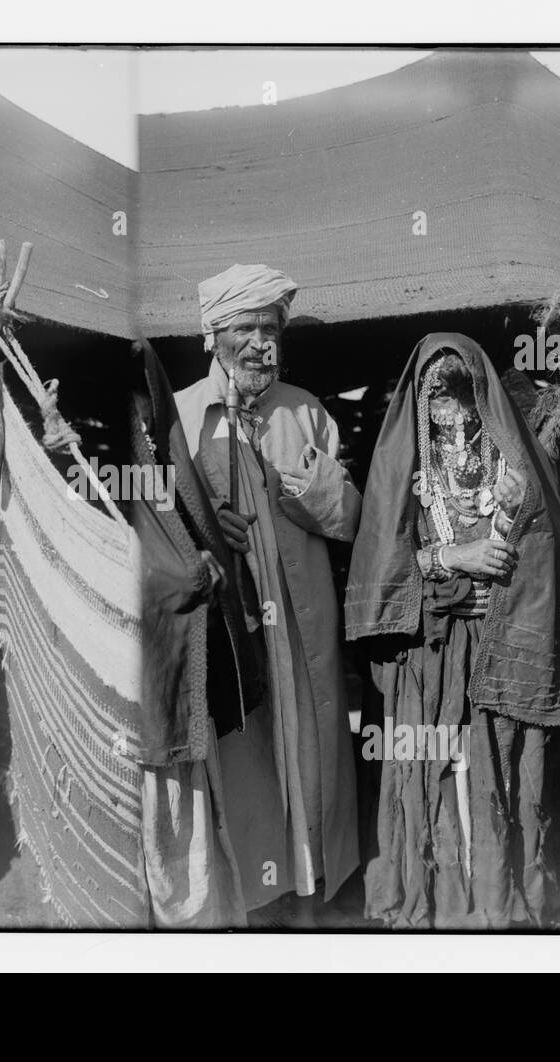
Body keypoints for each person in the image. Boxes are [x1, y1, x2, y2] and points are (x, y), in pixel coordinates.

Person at [344, 333, 560, 928]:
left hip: (496, 647)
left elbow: (544, 556)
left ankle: (496, 903)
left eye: (461, 393)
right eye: (439, 397)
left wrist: (514, 515)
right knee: (435, 767)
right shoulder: (402, 469)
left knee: (497, 770)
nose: (452, 413)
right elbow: (384, 564)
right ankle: (440, 905)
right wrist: (457, 559)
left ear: (482, 394)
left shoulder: (515, 463)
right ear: (420, 403)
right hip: (429, 654)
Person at [174, 263, 363, 919]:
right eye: (247, 329)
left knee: (309, 751)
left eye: (271, 330)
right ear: (213, 336)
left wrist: (295, 480)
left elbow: (350, 519)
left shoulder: (304, 411)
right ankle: (252, 892)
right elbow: (161, 529)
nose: (263, 345)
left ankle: (312, 890)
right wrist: (206, 527)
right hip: (234, 623)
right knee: (245, 751)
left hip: (302, 623)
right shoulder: (183, 415)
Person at [129, 339, 265, 927]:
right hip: (142, 675)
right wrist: (181, 574)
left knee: (191, 803)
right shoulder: (107, 462)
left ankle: (198, 917)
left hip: (184, 662)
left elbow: (185, 516)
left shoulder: (160, 456)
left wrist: (205, 550)